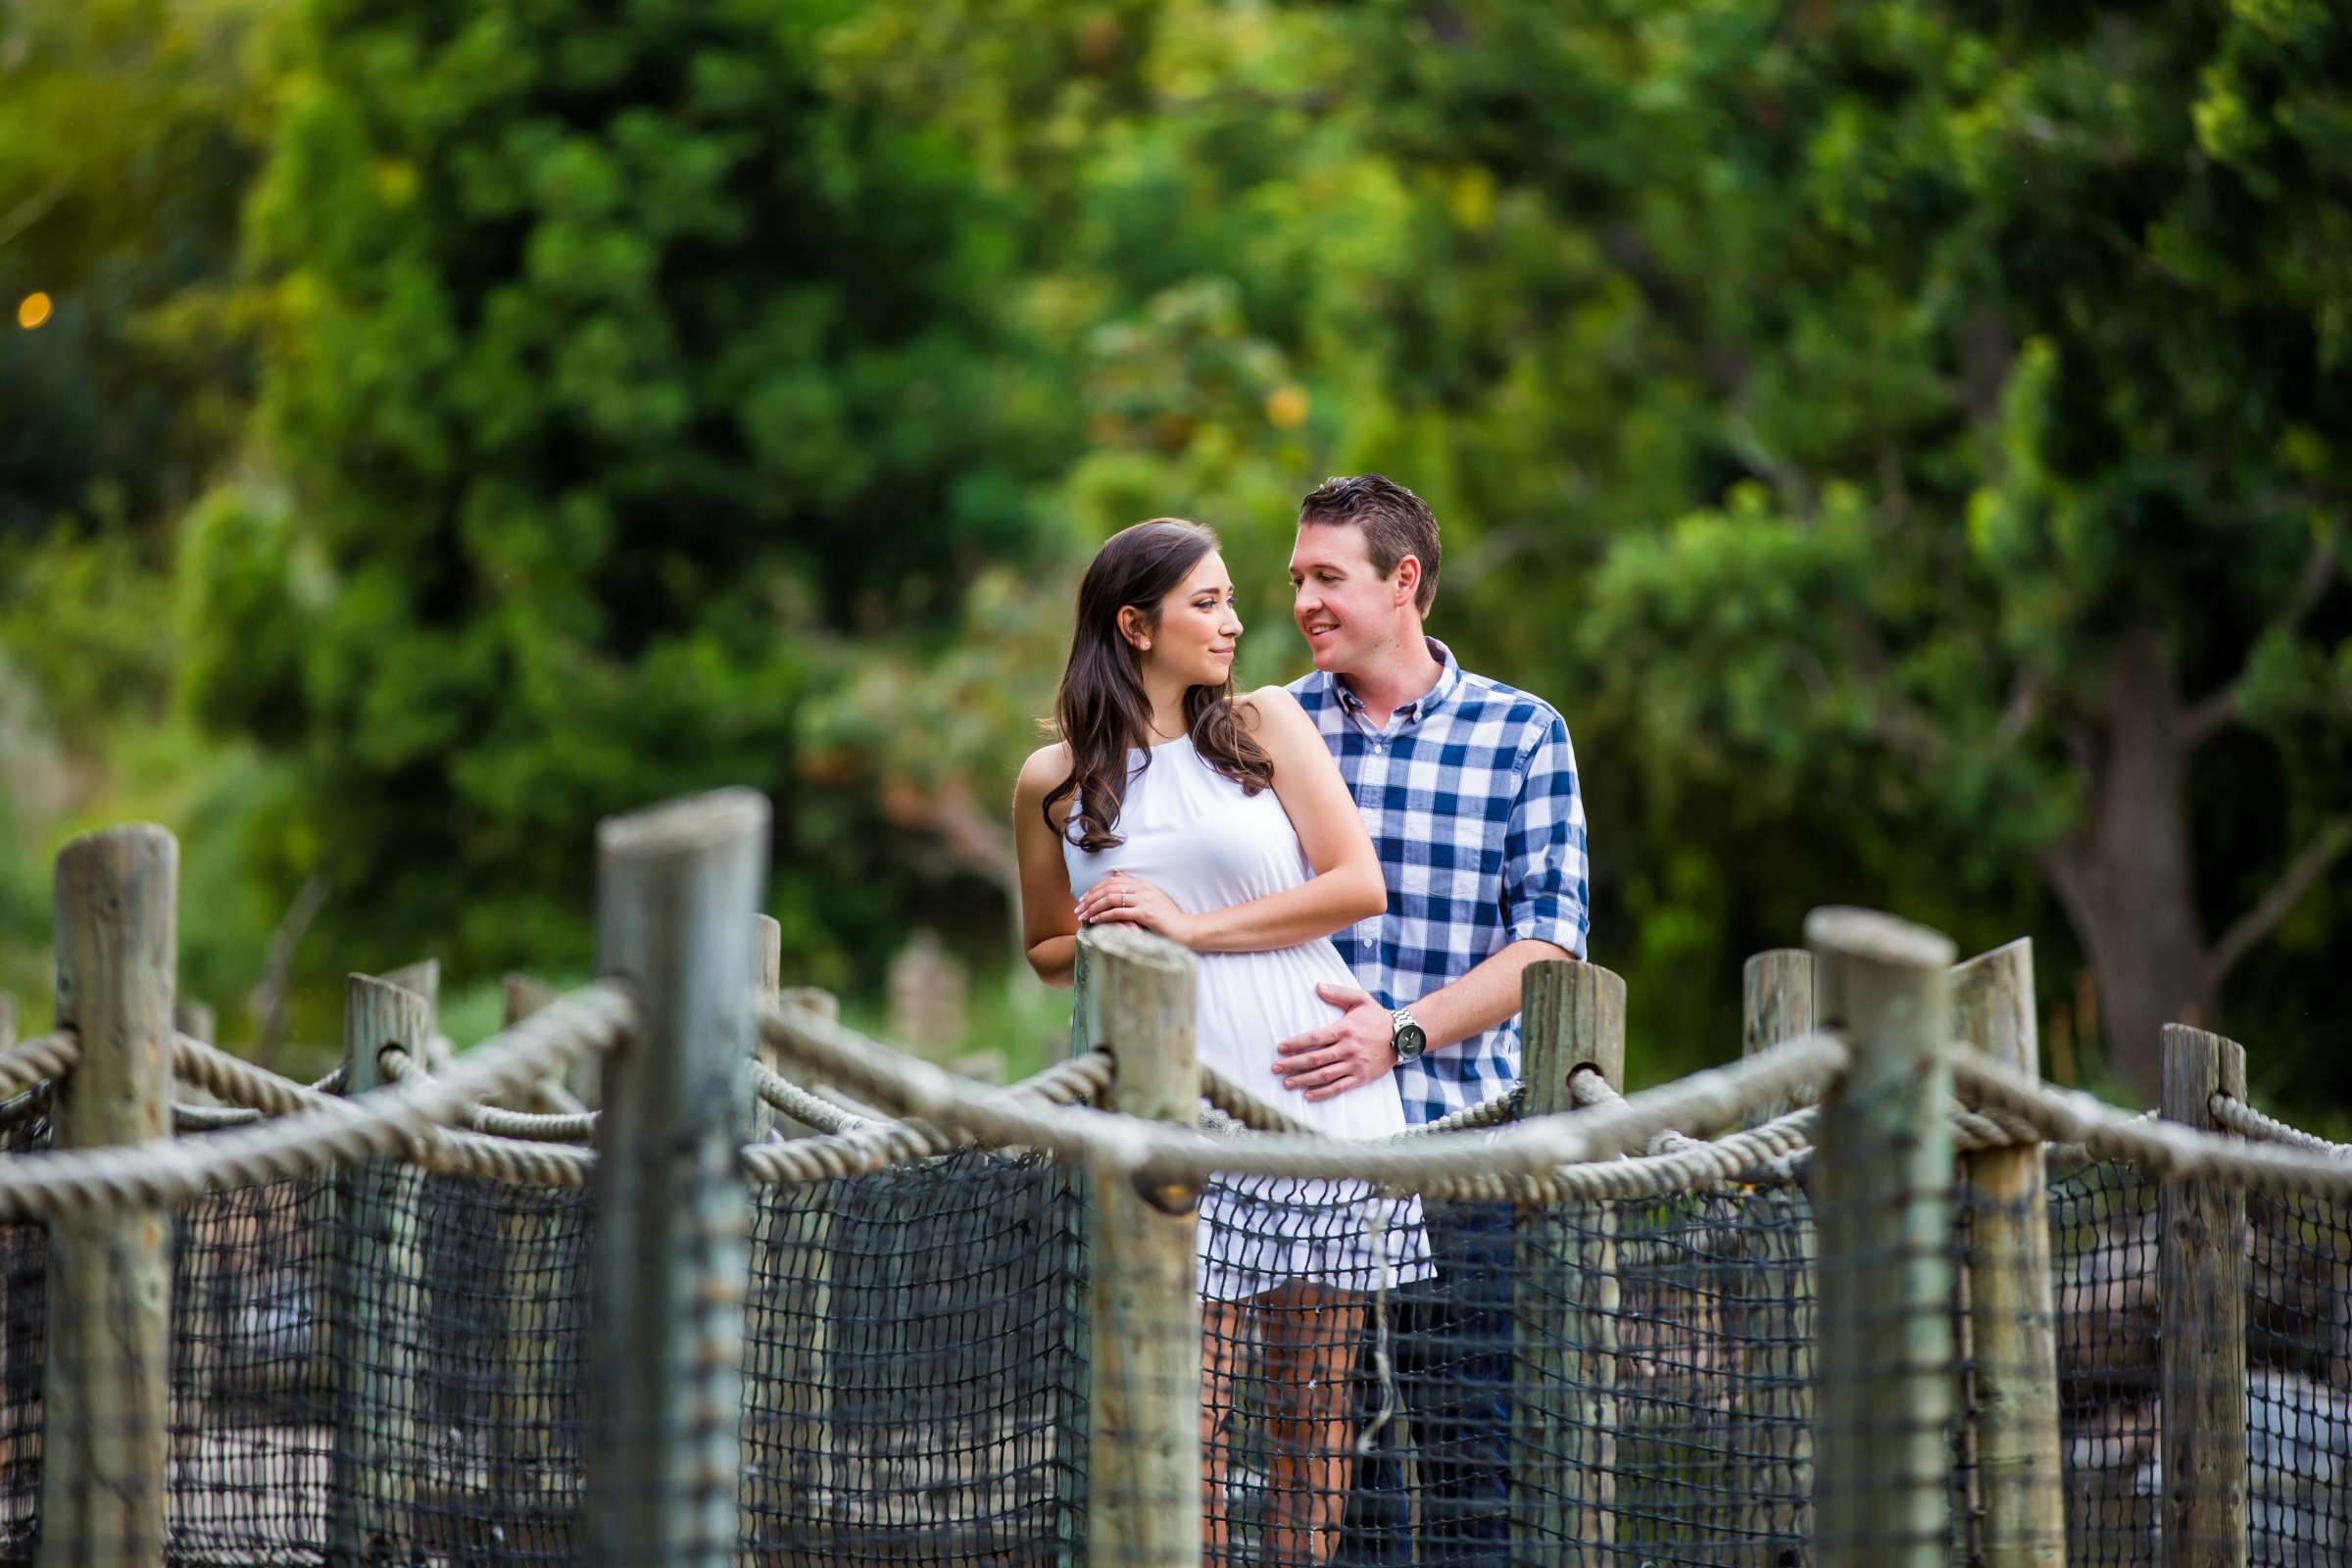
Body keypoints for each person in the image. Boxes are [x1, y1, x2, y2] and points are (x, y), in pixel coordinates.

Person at [1011, 517, 1434, 1567]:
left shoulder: (1266, 724)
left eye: (1234, 599)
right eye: (1209, 603)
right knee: (1176, 1411)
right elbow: (1044, 948)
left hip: (1312, 1092)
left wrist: (1188, 927)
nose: (1238, 622)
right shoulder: (1050, 780)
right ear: (1134, 624)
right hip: (1165, 1109)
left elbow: (1355, 886)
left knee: (1311, 1413)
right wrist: (1103, 933)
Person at [1271, 473, 1590, 1566]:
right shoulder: (1264, 728)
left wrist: (1398, 1033)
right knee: (1325, 1485)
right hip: (1298, 1156)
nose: (1305, 600)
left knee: (1466, 1467)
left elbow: (1548, 945)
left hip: (1464, 1150)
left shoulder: (1523, 734)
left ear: (1403, 581)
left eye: (1329, 577)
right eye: (1297, 578)